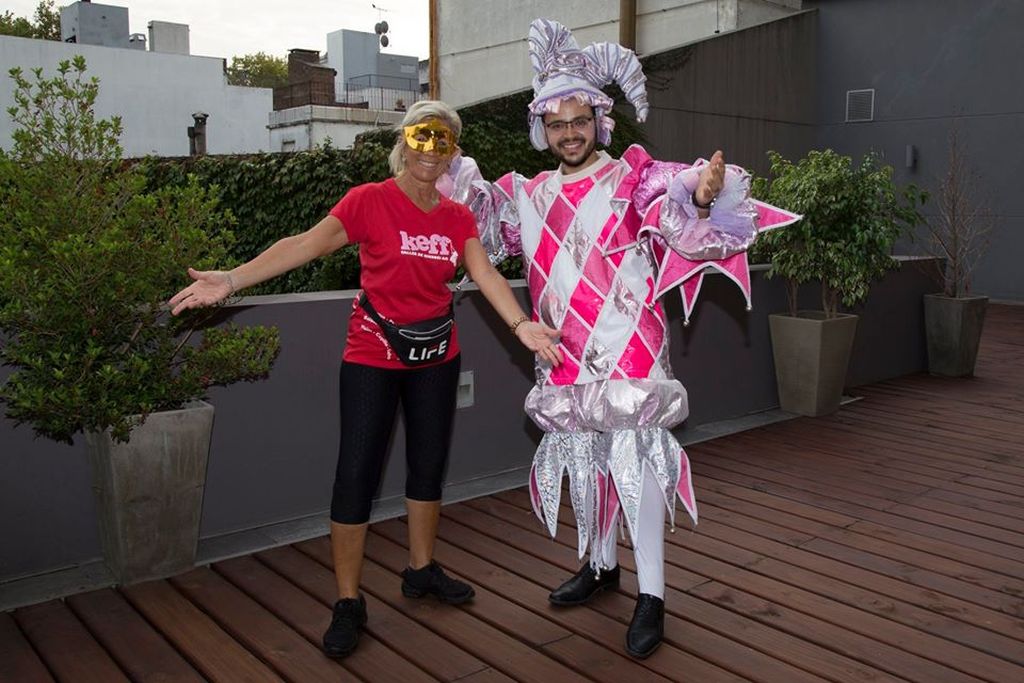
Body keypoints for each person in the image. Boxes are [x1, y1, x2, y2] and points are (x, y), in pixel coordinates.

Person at [441, 19, 798, 659]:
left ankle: (652, 595)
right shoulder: (528, 193)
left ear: (600, 122)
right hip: (563, 352)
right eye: (557, 123)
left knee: (634, 464)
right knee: (586, 459)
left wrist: (702, 189)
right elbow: (482, 232)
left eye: (580, 120)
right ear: (542, 130)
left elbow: (676, 191)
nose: (569, 133)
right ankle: (601, 565)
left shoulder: (631, 178)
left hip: (629, 347)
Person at [168, 100, 562, 659]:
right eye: (422, 137)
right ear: (404, 141)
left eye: (443, 141)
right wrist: (231, 279)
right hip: (373, 355)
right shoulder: (370, 200)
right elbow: (304, 244)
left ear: (453, 153)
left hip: (435, 356)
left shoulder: (457, 217)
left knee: (428, 467)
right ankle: (349, 600)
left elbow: (485, 271)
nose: (430, 150)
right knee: (357, 473)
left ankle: (421, 570)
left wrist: (521, 324)